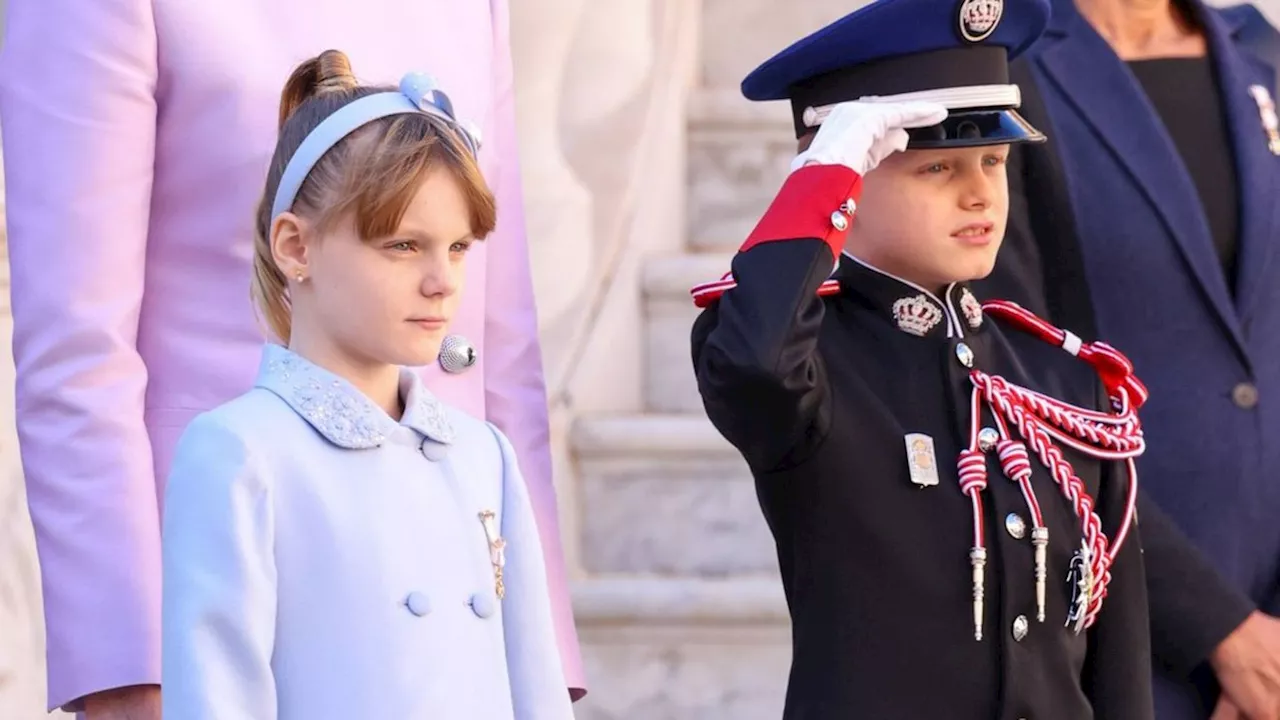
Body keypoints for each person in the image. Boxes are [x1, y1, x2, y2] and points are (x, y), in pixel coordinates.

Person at [0, 0, 585, 716]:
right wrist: (127, 673)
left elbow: (502, 346)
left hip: (458, 602)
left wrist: (539, 654)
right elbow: (77, 350)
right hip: (238, 585)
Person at [688, 0, 1155, 716]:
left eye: (994, 161)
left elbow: (1116, 665)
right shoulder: (807, 355)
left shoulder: (1064, 379)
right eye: (936, 166)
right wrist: (820, 181)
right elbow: (753, 363)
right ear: (852, 179)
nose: (979, 193)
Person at [161, 51, 574, 720]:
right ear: (296, 248)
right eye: (404, 246)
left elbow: (536, 690)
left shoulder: (484, 455)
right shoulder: (239, 453)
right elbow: (218, 699)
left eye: (460, 247)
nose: (442, 280)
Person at [976, 1, 1280, 717]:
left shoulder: (1258, 49)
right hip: (1120, 636)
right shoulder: (1000, 64)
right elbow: (1015, 384)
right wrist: (1225, 634)